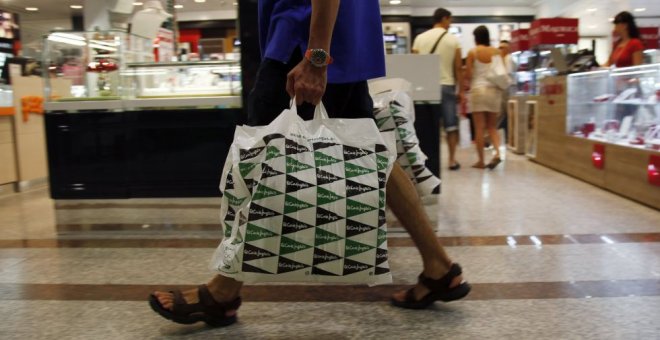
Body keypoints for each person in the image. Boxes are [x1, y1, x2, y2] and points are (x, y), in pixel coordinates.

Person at [149, 0, 471, 327]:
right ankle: (439, 267)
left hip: (304, 38)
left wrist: (316, 57)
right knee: (368, 152)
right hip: (334, 39)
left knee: (262, 158)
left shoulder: (311, 51)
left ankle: (222, 292)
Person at [412, 8, 464, 171]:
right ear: (444, 19)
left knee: (426, 126)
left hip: (425, 87)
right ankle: (452, 160)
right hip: (446, 85)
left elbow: (415, 65)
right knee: (450, 125)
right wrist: (461, 90)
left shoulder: (420, 38)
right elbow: (458, 68)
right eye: (450, 20)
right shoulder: (454, 40)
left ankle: (426, 159)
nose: (451, 24)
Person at [464, 25, 503, 170]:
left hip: (478, 91)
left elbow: (468, 75)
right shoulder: (496, 52)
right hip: (494, 91)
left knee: (479, 128)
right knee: (492, 127)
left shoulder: (473, 52)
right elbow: (501, 72)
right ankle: (498, 153)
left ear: (476, 38)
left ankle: (481, 161)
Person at [496, 40, 514, 142]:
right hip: (501, 90)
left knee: (505, 114)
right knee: (502, 114)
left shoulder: (508, 59)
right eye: (499, 48)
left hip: (506, 90)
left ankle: (507, 137)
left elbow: (507, 75)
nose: (500, 50)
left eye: (502, 48)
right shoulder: (500, 60)